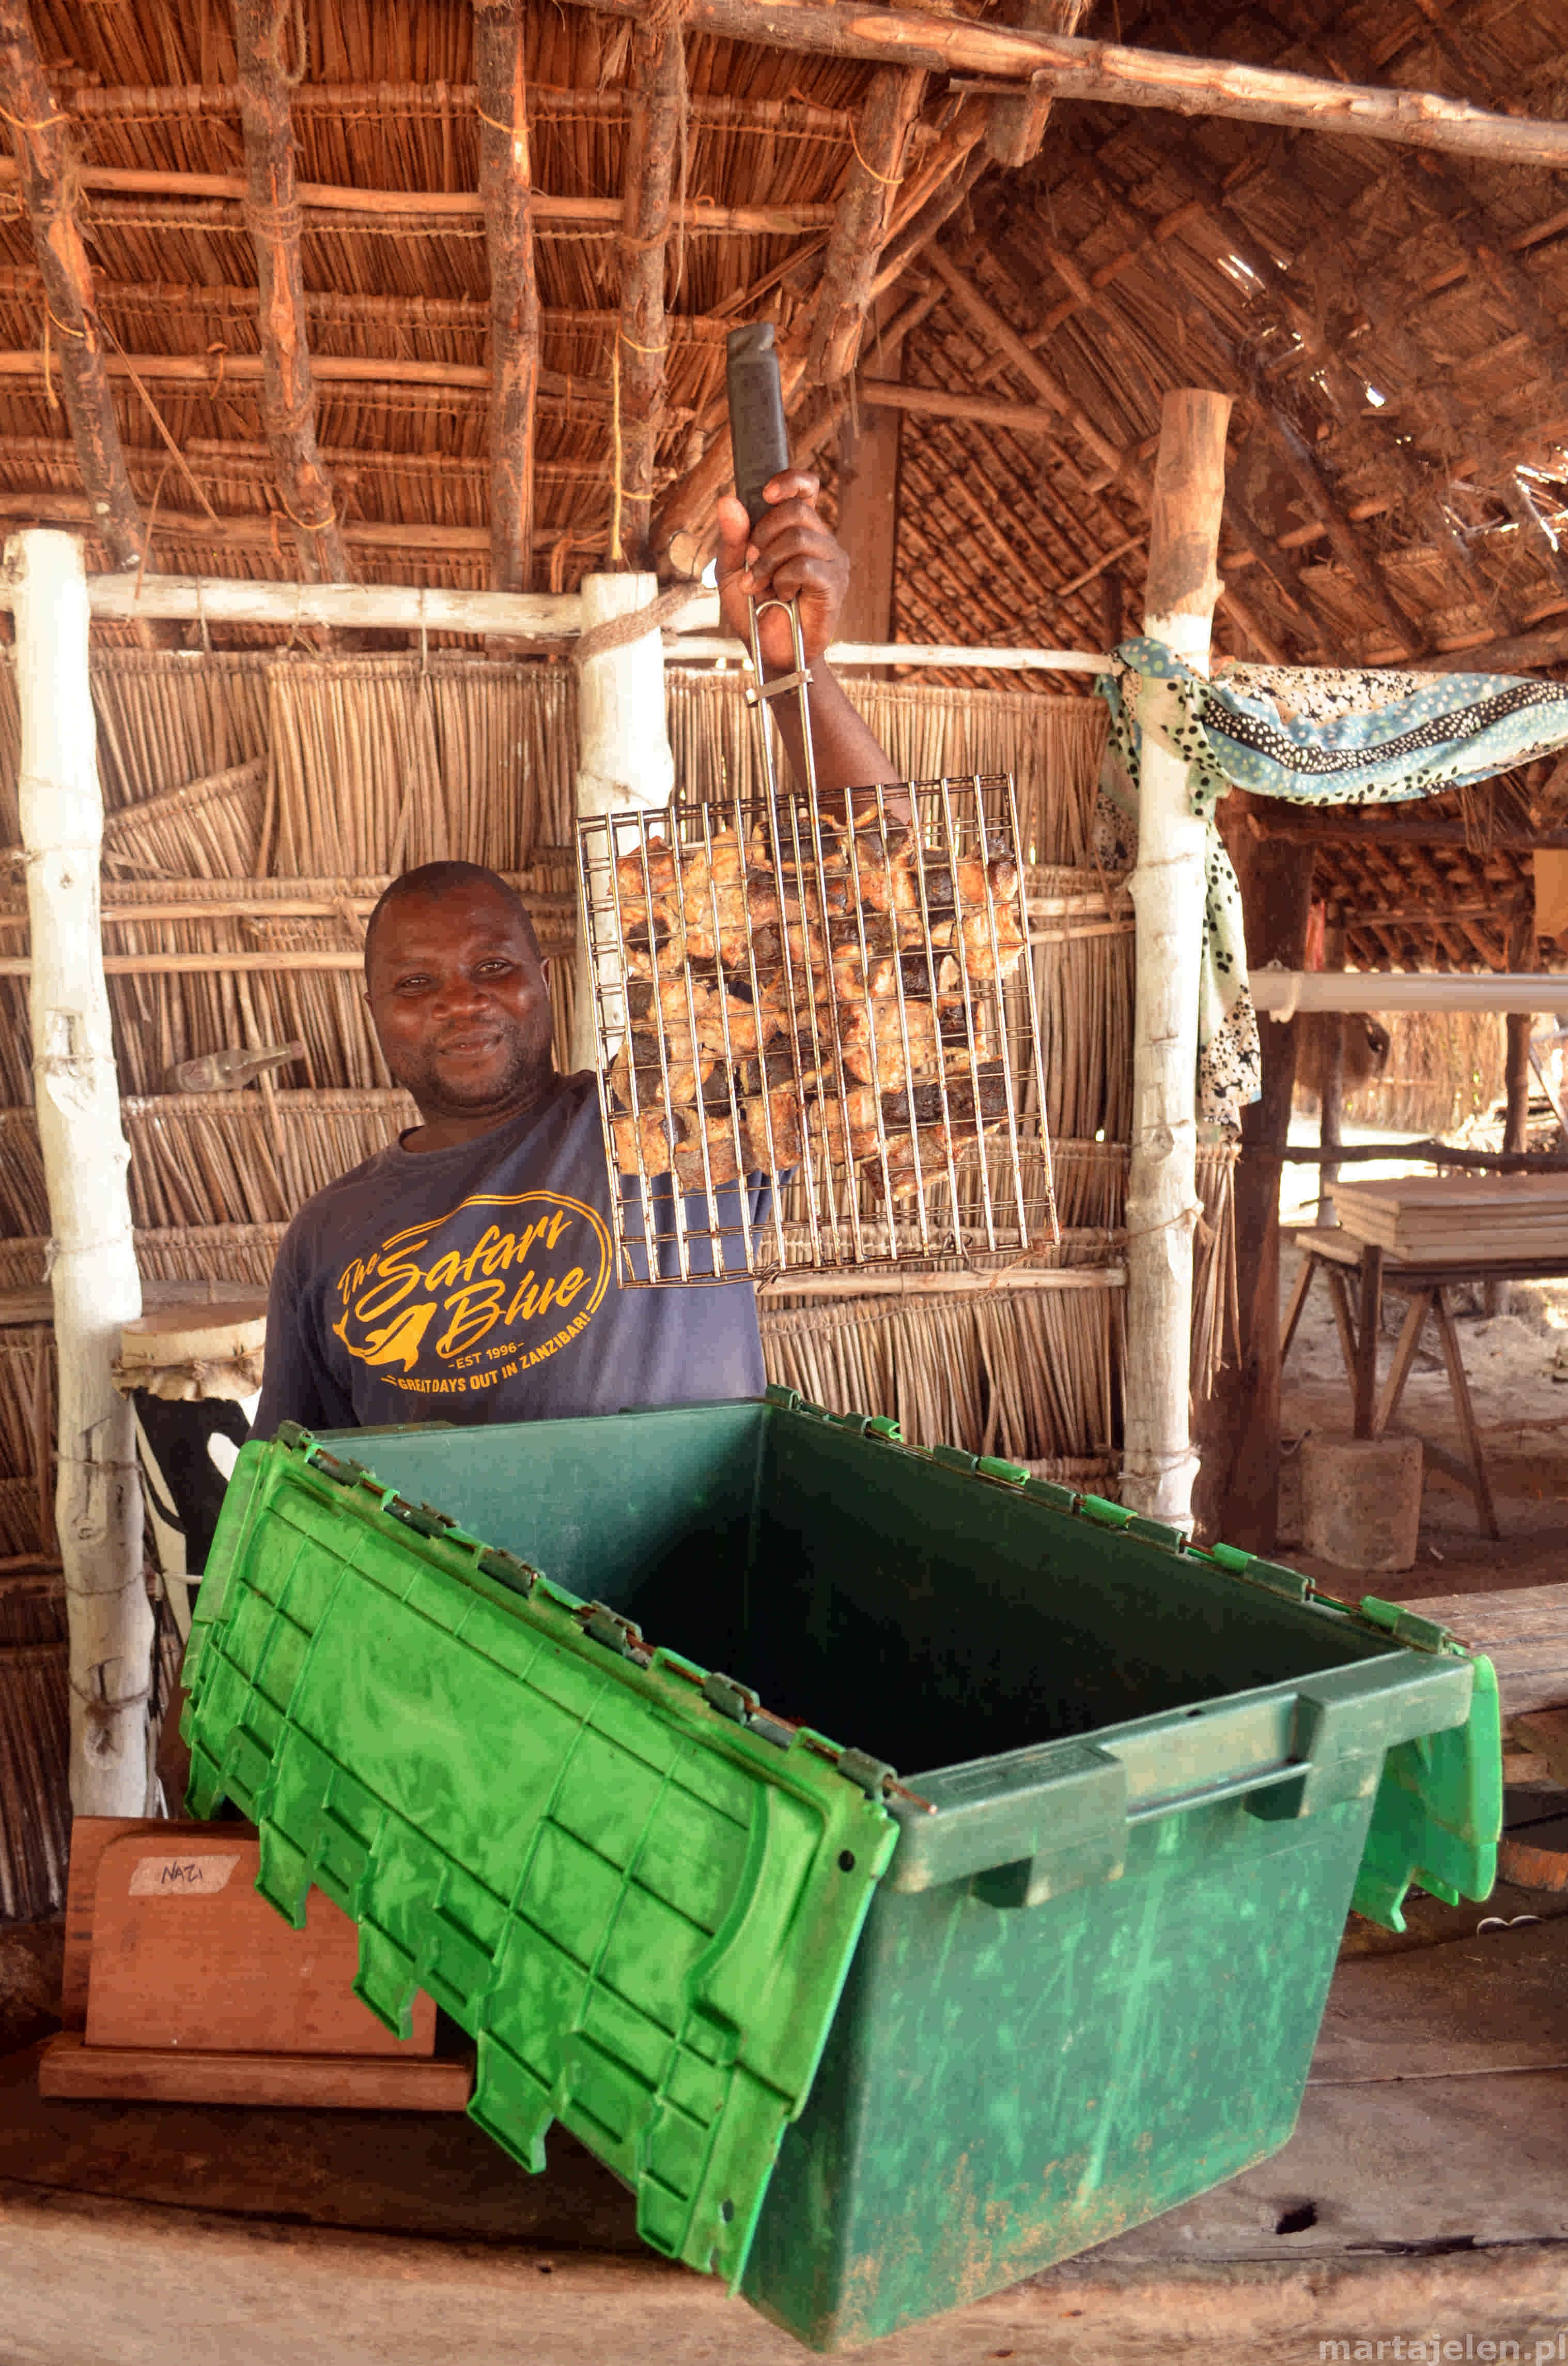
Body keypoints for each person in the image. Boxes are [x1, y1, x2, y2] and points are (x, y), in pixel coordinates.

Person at [254, 470, 897, 1437]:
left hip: (693, 1544)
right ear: (374, 1013)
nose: (462, 1001)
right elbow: (297, 1481)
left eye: (493, 967)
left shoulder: (676, 1121)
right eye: (417, 983)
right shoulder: (328, 1239)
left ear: (545, 983)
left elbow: (894, 912)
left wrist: (792, 671)